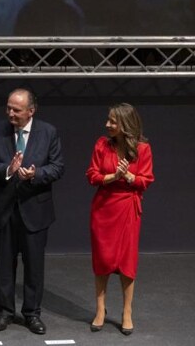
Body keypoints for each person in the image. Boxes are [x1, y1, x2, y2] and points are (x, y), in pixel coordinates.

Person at [0, 88, 64, 335]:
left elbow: (58, 167)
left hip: (35, 210)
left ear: (31, 111)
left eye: (16, 110)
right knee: (5, 265)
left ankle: (32, 314)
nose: (10, 113)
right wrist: (8, 170)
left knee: (34, 266)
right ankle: (5, 312)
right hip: (4, 209)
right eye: (8, 108)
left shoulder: (48, 132)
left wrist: (35, 174)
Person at [85, 103, 154, 336]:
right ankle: (100, 309)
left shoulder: (143, 149)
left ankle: (126, 312)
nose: (107, 125)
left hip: (127, 208)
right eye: (108, 120)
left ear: (125, 124)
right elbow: (92, 175)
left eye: (113, 121)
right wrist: (113, 176)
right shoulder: (101, 145)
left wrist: (129, 176)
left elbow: (146, 180)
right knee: (102, 260)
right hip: (103, 207)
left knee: (126, 262)